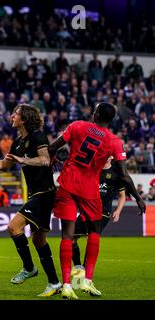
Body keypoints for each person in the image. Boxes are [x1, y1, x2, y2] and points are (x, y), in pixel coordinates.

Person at [49, 102, 146, 299]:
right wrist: (138, 198)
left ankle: (67, 285)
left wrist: (52, 158)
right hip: (89, 190)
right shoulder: (114, 141)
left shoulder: (77, 125)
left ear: (96, 114)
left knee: (67, 235)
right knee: (94, 232)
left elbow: (52, 147)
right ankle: (87, 281)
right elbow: (124, 175)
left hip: (67, 184)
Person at [0, 104, 61, 297]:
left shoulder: (37, 136)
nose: (11, 116)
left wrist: (23, 160)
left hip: (45, 193)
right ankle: (54, 282)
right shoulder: (17, 142)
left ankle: (29, 268)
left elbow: (44, 160)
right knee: (38, 240)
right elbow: (3, 164)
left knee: (13, 227)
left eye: (15, 114)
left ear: (24, 119)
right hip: (35, 194)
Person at [71, 156, 126, 281]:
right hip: (87, 210)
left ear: (111, 157)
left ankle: (85, 271)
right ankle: (78, 267)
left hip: (103, 213)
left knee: (91, 238)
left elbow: (122, 195)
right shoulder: (94, 170)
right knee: (72, 239)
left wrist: (118, 211)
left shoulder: (116, 174)